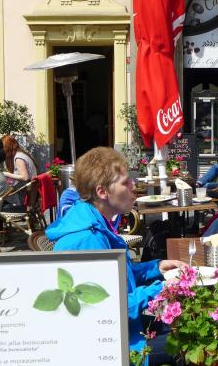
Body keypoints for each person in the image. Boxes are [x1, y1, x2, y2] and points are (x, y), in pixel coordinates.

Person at [45, 147, 185, 353]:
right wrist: (161, 288)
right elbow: (106, 308)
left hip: (124, 328)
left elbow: (117, 275)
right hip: (114, 348)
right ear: (102, 192)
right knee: (193, 342)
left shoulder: (95, 222)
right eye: (125, 182)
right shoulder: (87, 240)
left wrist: (157, 268)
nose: (133, 186)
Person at [2, 135, 38, 209]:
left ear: (7, 147)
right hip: (29, 191)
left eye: (3, 148)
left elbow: (25, 177)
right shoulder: (22, 154)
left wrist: (6, 174)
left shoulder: (18, 158)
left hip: (25, 195)